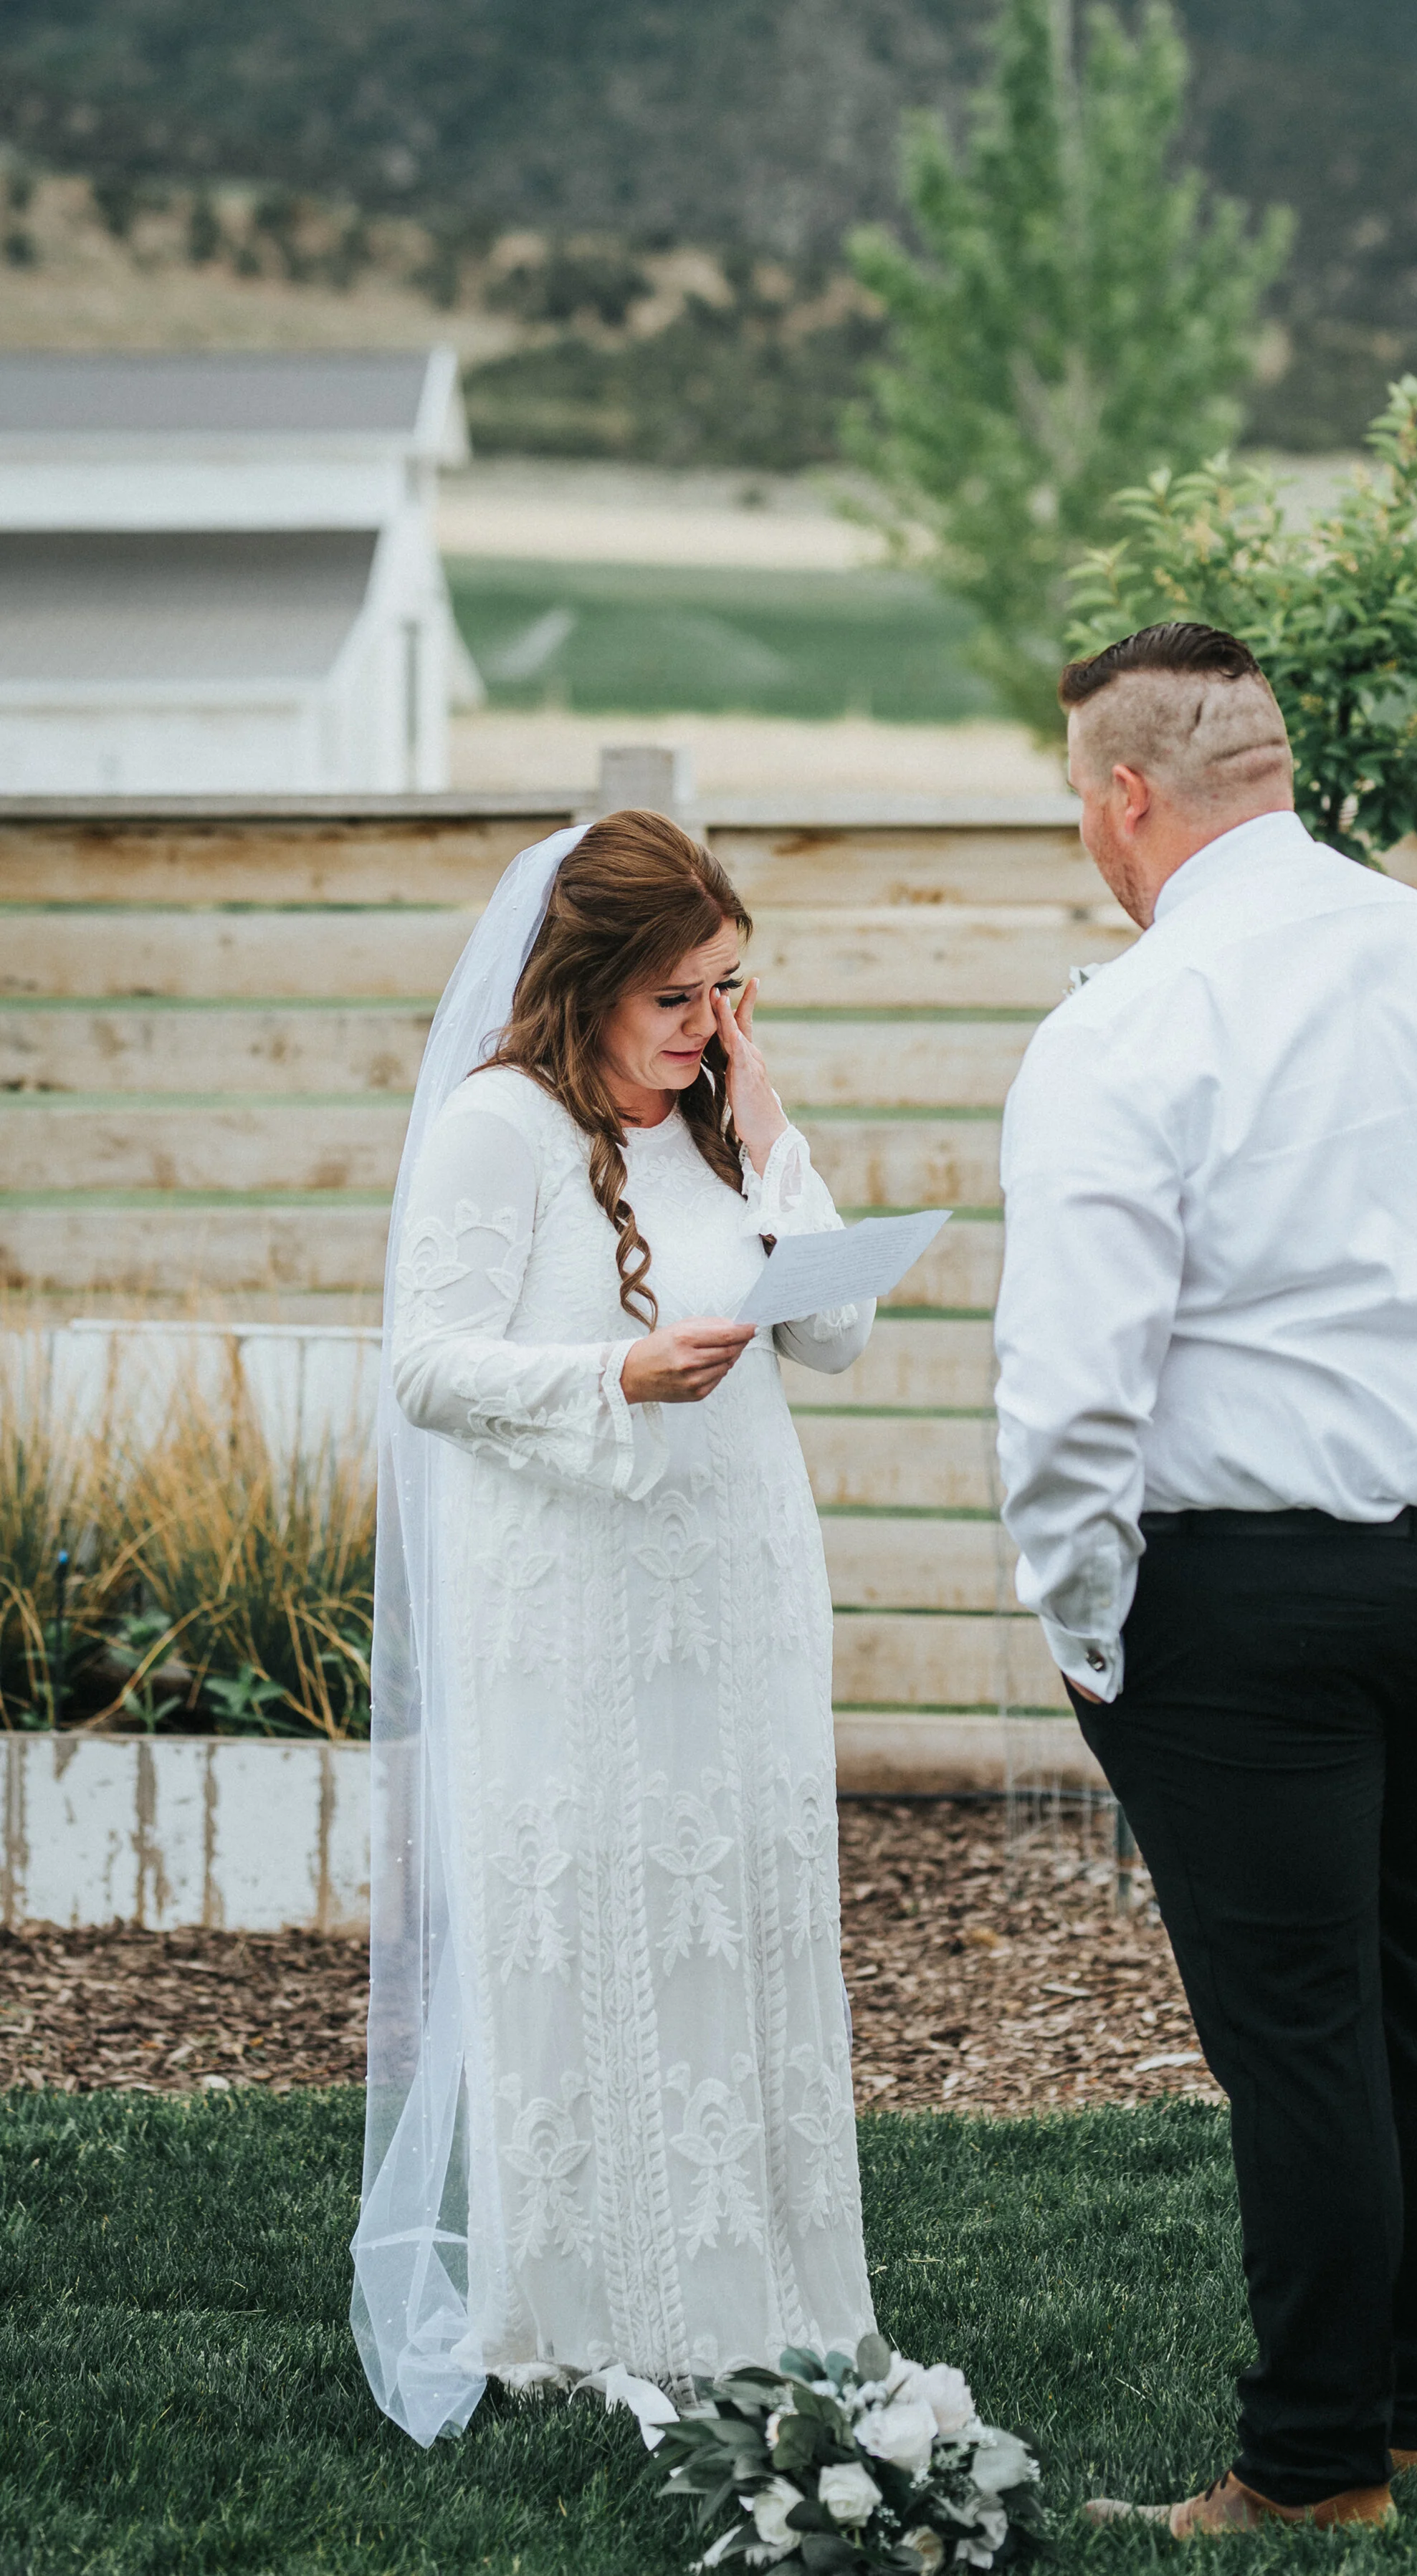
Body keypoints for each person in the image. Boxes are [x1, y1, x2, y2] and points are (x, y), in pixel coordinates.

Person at [993, 623, 1417, 2537]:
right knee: (1389, 1983)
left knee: (1298, 2028)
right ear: (1272, 763)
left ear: (1123, 797)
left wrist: (1083, 1612)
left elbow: (1073, 1386)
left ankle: (1313, 2462)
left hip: (1237, 1597)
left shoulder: (1133, 1017)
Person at [351, 809, 876, 2446]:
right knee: (596, 1929)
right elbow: (424, 1367)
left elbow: (840, 1329)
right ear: (584, 989)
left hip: (737, 1581)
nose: (711, 1028)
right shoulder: (496, 1129)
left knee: (739, 1917)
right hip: (570, 1599)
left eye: (733, 991)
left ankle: (766, 2292)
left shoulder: (723, 1123)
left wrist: (770, 1128)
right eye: (679, 1001)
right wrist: (613, 1377)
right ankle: (584, 2307)